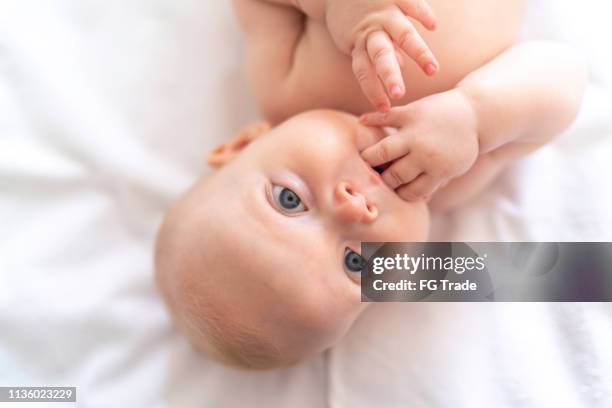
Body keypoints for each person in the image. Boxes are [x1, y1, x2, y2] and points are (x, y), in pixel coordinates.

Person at [155, 0, 586, 368]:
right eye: (355, 264)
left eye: (289, 201)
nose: (353, 210)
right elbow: (563, 76)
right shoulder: (452, 181)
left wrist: (342, 8)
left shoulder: (286, 88)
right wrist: (476, 118)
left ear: (245, 143)